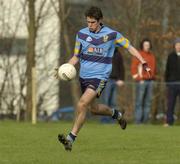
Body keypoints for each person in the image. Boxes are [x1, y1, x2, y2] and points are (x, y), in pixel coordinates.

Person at [55, 6, 151, 151]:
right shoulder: (81, 34)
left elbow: (129, 47)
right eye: (88, 22)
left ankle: (70, 139)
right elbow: (76, 56)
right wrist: (64, 68)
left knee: (82, 104)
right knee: (93, 109)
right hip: (84, 77)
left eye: (93, 22)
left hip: (100, 77)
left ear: (100, 21)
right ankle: (116, 114)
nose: (90, 25)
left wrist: (142, 60)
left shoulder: (112, 35)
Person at [131, 38, 156, 124]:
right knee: (139, 101)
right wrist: (139, 79)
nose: (147, 47)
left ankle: (146, 121)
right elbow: (134, 69)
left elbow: (153, 69)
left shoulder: (152, 56)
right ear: (142, 45)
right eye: (145, 45)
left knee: (148, 102)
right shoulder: (138, 55)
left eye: (148, 45)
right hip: (141, 82)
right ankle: (138, 121)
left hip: (150, 81)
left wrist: (152, 78)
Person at [100, 47, 125, 123]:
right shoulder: (104, 52)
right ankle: (104, 120)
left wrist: (121, 79)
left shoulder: (118, 54)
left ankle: (112, 120)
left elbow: (121, 67)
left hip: (115, 80)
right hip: (105, 80)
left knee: (113, 102)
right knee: (106, 101)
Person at [164, 38, 180, 126]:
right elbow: (167, 70)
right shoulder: (170, 56)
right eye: (177, 45)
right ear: (174, 46)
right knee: (170, 104)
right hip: (172, 84)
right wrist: (167, 82)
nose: (178, 46)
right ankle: (169, 122)